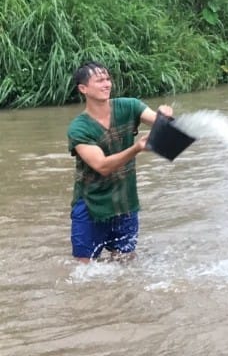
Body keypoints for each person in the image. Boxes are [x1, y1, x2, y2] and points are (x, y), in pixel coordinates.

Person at [66, 61, 175, 262]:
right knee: (84, 271)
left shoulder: (129, 106)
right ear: (83, 89)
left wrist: (165, 117)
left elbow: (157, 120)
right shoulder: (78, 129)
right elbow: (102, 166)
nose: (107, 84)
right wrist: (136, 148)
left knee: (125, 264)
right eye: (99, 81)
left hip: (125, 202)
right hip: (91, 204)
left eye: (108, 79)